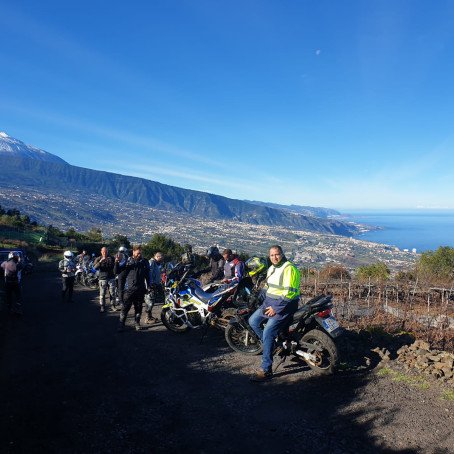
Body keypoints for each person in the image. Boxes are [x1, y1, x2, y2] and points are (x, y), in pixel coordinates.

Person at [249, 245, 301, 382]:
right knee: (252, 321)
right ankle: (271, 346)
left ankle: (266, 369)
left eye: (277, 254)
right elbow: (268, 287)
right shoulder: (272, 268)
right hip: (269, 304)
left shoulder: (289, 268)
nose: (274, 257)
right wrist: (256, 297)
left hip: (284, 306)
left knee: (267, 332)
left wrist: (276, 309)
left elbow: (290, 292)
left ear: (282, 254)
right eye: (272, 255)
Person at [114, 244, 150, 332]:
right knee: (125, 308)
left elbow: (147, 276)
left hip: (140, 289)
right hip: (129, 290)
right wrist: (116, 262)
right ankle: (121, 324)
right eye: (137, 253)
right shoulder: (127, 261)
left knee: (138, 308)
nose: (139, 255)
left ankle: (137, 323)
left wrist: (148, 286)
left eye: (140, 253)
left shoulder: (144, 262)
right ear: (133, 252)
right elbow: (116, 271)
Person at [93, 246, 116, 313]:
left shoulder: (111, 258)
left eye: (106, 251)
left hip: (111, 277)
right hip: (102, 278)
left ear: (107, 252)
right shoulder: (98, 258)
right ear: (101, 252)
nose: (104, 253)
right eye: (103, 252)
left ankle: (113, 306)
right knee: (102, 294)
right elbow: (95, 268)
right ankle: (102, 306)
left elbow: (115, 266)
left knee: (112, 293)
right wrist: (100, 261)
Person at [145, 251, 165, 323]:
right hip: (152, 285)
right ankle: (147, 318)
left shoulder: (156, 263)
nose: (162, 259)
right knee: (150, 300)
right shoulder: (151, 262)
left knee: (154, 299)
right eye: (161, 258)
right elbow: (149, 274)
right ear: (158, 257)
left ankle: (150, 316)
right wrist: (150, 284)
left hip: (157, 284)